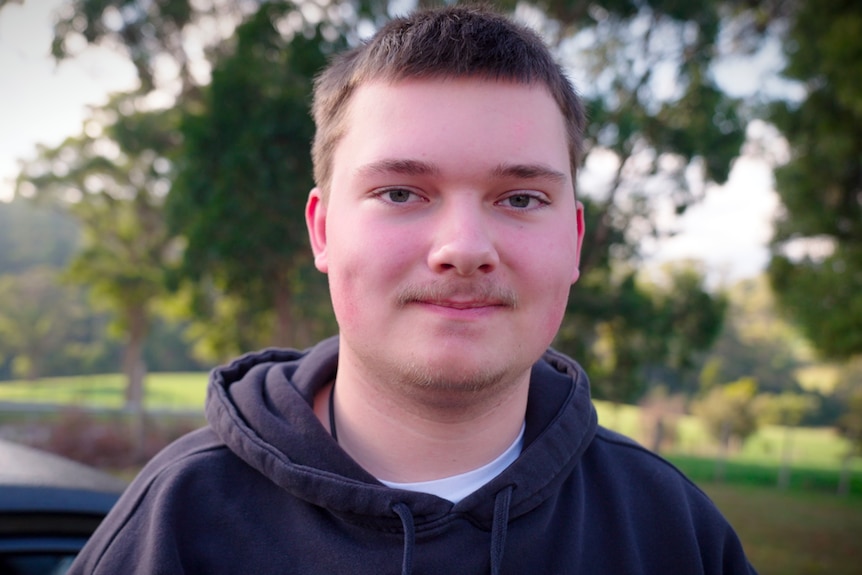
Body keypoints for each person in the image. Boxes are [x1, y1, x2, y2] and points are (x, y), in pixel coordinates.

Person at [69, 6, 757, 574]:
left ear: (575, 240)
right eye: (400, 192)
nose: (463, 247)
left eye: (520, 197)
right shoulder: (177, 523)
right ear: (322, 230)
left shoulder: (672, 530)